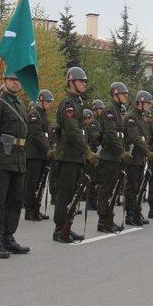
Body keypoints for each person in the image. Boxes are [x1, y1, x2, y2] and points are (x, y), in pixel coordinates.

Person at [0, 70, 30, 258]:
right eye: (12, 79)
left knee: (15, 200)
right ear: (4, 81)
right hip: (1, 158)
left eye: (19, 80)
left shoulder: (20, 104)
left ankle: (8, 236)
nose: (16, 83)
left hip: (18, 158)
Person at [52, 67, 98, 243]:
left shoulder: (77, 102)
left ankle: (66, 227)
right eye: (81, 81)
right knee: (64, 194)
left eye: (85, 81)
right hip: (67, 155)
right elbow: (72, 130)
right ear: (71, 82)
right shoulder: (68, 103)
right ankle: (59, 229)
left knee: (71, 193)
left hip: (75, 155)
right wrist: (87, 150)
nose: (84, 83)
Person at [96, 82, 130, 232]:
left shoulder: (117, 111)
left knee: (112, 190)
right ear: (115, 94)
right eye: (123, 94)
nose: (125, 96)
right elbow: (110, 135)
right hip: (109, 157)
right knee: (106, 190)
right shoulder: (109, 111)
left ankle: (108, 218)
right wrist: (121, 152)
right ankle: (103, 221)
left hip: (115, 157)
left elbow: (119, 136)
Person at [123, 90, 153, 226]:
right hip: (133, 158)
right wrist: (147, 151)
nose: (149, 106)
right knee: (131, 187)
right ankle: (130, 215)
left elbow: (144, 138)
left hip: (140, 158)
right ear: (141, 103)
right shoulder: (131, 117)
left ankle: (137, 212)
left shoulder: (141, 118)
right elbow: (135, 137)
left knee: (139, 188)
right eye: (147, 103)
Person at [24, 89, 54, 221]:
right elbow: (37, 134)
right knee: (32, 183)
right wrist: (48, 149)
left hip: (41, 154)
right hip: (34, 153)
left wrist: (50, 148)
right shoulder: (34, 114)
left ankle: (36, 208)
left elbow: (46, 135)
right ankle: (30, 210)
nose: (50, 104)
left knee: (40, 183)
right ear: (41, 101)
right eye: (48, 101)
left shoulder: (44, 114)